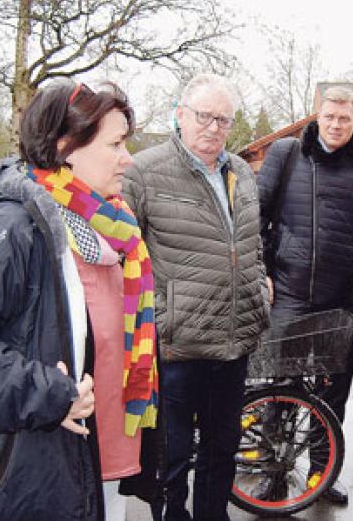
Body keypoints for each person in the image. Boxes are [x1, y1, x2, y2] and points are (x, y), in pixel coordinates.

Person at [0, 81, 159, 521]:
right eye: (116, 144)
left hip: (100, 456)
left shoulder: (114, 229)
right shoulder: (12, 225)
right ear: (66, 146)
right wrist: (45, 392)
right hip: (33, 469)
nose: (128, 158)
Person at [122, 73, 269, 521]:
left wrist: (260, 280)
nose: (214, 127)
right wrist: (160, 313)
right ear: (180, 114)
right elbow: (126, 254)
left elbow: (250, 242)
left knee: (222, 451)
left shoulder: (240, 171)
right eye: (204, 116)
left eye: (223, 119)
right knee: (172, 456)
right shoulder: (143, 172)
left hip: (233, 340)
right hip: (177, 344)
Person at [256, 85, 353, 503]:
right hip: (289, 293)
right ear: (318, 115)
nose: (335, 125)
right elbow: (257, 214)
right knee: (280, 387)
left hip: (341, 297)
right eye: (329, 117)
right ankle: (273, 471)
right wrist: (263, 270)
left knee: (332, 391)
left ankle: (322, 472)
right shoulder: (285, 153)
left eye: (344, 118)